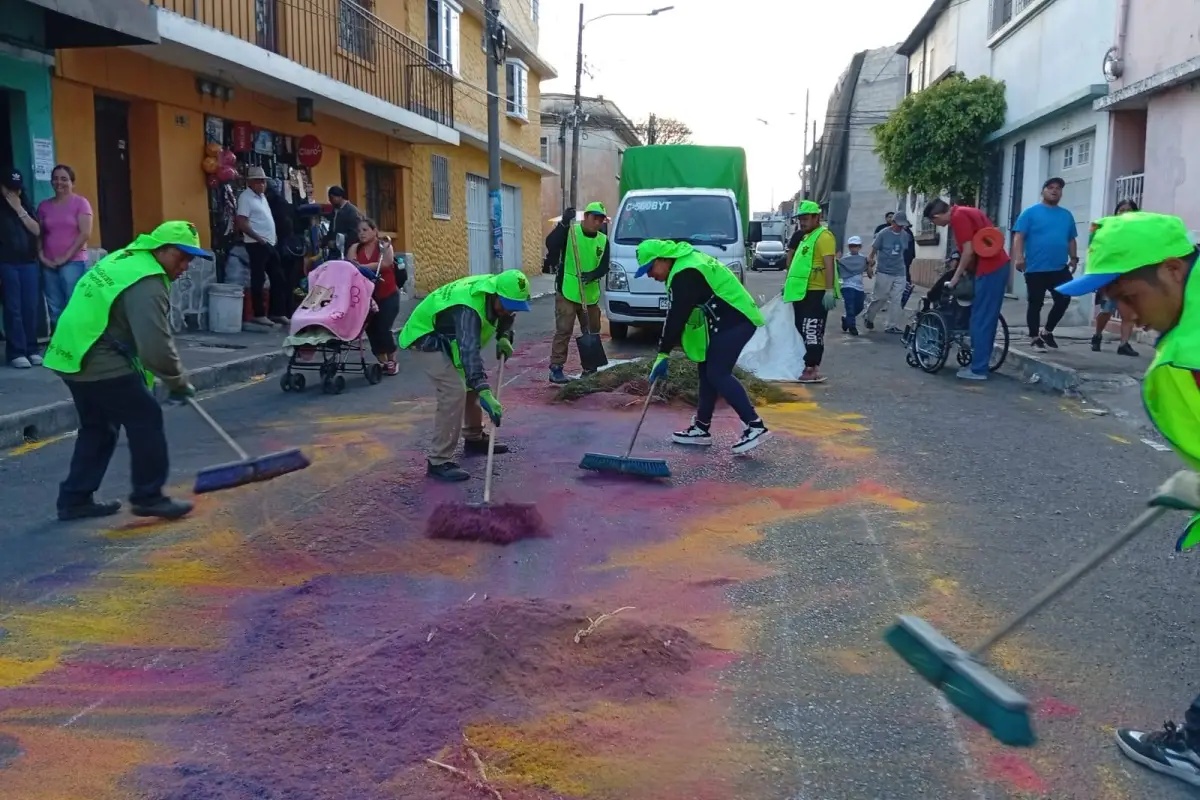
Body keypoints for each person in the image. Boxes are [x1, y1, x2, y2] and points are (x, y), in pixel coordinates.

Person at [1052, 211, 1200, 789]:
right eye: (1113, 303)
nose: (1126, 317)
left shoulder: (1184, 360)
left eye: (1130, 297)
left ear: (1172, 268)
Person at [43, 221, 208, 521]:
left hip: (71, 350)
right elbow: (155, 347)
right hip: (98, 355)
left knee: (99, 426)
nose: (186, 265)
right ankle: (149, 496)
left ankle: (75, 498)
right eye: (181, 256)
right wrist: (178, 381)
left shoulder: (126, 259)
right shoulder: (148, 281)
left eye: (190, 259)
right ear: (160, 249)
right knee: (145, 417)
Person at [396, 269, 532, 482]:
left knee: (471, 383)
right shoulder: (468, 310)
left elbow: (507, 315)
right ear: (495, 294)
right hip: (425, 336)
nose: (509, 311)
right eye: (507, 305)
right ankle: (439, 461)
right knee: (454, 391)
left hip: (449, 335)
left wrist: (504, 335)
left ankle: (474, 437)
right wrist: (485, 392)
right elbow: (469, 352)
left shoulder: (498, 291)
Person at [636, 239, 769, 454]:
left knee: (717, 373)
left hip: (737, 320)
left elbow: (676, 318)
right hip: (724, 321)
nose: (650, 275)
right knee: (706, 370)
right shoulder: (685, 263)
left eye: (650, 268)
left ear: (662, 259)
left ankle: (755, 425)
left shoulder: (685, 273)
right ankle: (701, 428)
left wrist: (663, 352)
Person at [924, 198, 1011, 381]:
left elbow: (968, 250)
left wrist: (955, 277)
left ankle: (978, 369)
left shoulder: (958, 217)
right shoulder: (968, 211)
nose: (938, 225)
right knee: (987, 317)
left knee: (980, 318)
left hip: (990, 268)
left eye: (935, 222)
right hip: (995, 266)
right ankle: (981, 363)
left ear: (936, 216)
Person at [544, 201, 609, 384]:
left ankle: (590, 368)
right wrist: (563, 224)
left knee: (592, 331)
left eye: (601, 219)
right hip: (568, 289)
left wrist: (594, 274)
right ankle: (556, 369)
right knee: (564, 329)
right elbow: (551, 244)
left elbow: (604, 266)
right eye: (594, 218)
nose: (597, 222)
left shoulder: (603, 240)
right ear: (586, 217)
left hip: (589, 294)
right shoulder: (571, 233)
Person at [1012, 177, 1079, 351]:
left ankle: (1047, 331)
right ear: (1043, 191)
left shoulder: (1066, 215)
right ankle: (1034, 337)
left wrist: (1073, 257)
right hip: (1036, 268)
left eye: (1058, 188)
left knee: (1064, 298)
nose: (1055, 191)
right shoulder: (1030, 213)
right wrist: (1019, 257)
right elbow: (1019, 236)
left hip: (1059, 267)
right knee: (1036, 303)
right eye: (1051, 188)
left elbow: (1071, 238)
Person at [785, 200, 838, 384]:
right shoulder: (806, 237)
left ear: (818, 217)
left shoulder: (824, 236)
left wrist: (829, 290)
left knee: (812, 329)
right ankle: (810, 365)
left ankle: (811, 367)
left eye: (806, 219)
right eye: (801, 219)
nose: (803, 222)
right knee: (801, 327)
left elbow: (829, 263)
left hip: (817, 291)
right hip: (802, 292)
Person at [37, 164, 93, 327]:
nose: (59, 182)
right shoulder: (44, 206)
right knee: (55, 308)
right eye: (55, 179)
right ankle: (59, 347)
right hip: (49, 264)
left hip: (73, 262)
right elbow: (39, 233)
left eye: (64, 179)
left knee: (74, 306)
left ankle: (76, 348)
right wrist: (41, 255)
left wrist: (64, 258)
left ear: (72, 183)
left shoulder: (81, 203)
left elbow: (85, 233)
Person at [346, 218, 403, 375]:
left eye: (365, 230)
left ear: (374, 230)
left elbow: (386, 263)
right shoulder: (355, 248)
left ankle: (392, 359)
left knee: (383, 328)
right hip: (366, 296)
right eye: (359, 231)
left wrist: (362, 267)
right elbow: (351, 265)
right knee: (371, 330)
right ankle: (382, 361)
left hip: (387, 294)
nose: (361, 234)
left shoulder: (384, 246)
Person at [1, 168, 42, 369]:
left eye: (16, 189)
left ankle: (32, 349)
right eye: (9, 189)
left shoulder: (25, 204)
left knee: (30, 307)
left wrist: (19, 209)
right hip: (7, 263)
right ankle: (16, 351)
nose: (13, 193)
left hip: (28, 262)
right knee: (13, 308)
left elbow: (37, 230)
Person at [236, 166, 288, 327]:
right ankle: (259, 314)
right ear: (250, 182)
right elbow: (242, 222)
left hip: (270, 243)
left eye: (263, 182)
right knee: (258, 279)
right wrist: (259, 239)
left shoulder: (262, 197)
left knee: (278, 277)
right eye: (258, 181)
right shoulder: (246, 197)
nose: (262, 184)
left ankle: (277, 312)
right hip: (257, 243)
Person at [1093, 198, 1141, 356]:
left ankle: (1124, 344)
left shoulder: (1139, 232)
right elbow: (1097, 251)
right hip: (1110, 277)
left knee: (1129, 313)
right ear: (1116, 212)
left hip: (1130, 276)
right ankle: (1097, 335)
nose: (1125, 213)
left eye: (1129, 210)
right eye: (1122, 210)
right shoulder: (1107, 230)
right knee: (1107, 310)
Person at [865, 210, 913, 334]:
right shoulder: (883, 233)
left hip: (899, 271)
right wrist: (870, 263)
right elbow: (874, 249)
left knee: (897, 299)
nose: (900, 227)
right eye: (899, 224)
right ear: (893, 222)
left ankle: (892, 325)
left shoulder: (905, 235)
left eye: (903, 225)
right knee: (880, 297)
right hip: (884, 270)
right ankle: (868, 317)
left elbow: (904, 252)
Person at [838, 236, 868, 336]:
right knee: (850, 307)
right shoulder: (845, 259)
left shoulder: (863, 259)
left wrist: (870, 264)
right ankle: (852, 327)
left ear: (860, 247)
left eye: (856, 246)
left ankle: (846, 319)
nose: (853, 248)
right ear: (849, 247)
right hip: (847, 286)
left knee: (859, 307)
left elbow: (869, 271)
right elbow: (838, 267)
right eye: (851, 246)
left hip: (859, 287)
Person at [325, 185, 362, 257]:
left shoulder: (351, 211)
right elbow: (332, 230)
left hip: (346, 251)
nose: (330, 200)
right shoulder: (334, 211)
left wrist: (336, 243)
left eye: (332, 198)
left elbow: (354, 234)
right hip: (334, 251)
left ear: (340, 196)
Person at [543, 208, 573, 274]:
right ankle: (549, 268)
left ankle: (549, 268)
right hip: (553, 241)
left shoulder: (564, 225)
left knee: (553, 256)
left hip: (552, 240)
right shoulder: (565, 226)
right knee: (554, 257)